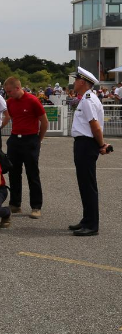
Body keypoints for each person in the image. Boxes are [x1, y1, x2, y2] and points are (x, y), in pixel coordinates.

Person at [68, 68, 110, 236]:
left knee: (88, 185)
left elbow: (94, 125)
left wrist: (101, 145)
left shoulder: (87, 100)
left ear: (82, 82)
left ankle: (92, 225)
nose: (74, 82)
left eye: (76, 79)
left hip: (87, 144)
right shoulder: (87, 98)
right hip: (83, 143)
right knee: (84, 184)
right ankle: (86, 220)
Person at [3, 76, 47, 218]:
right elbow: (10, 117)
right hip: (15, 139)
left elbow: (44, 121)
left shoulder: (33, 100)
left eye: (10, 91)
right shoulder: (10, 102)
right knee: (14, 172)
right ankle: (15, 204)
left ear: (18, 88)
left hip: (30, 139)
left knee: (32, 173)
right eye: (6, 92)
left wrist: (38, 139)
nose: (8, 94)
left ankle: (36, 206)